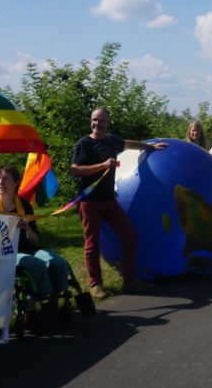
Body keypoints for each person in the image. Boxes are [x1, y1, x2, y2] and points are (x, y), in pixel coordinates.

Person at [71, 107, 168, 299]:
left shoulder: (111, 141)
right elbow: (76, 170)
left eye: (101, 121)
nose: (97, 124)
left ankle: (130, 281)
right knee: (92, 244)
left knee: (130, 235)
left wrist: (150, 147)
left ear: (108, 123)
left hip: (109, 200)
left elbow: (128, 144)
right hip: (89, 202)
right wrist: (102, 166)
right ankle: (95, 285)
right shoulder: (84, 143)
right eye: (94, 120)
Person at [0, 165, 70, 326]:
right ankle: (32, 309)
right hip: (5, 253)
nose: (1, 182)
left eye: (5, 178)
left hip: (29, 248)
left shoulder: (24, 205)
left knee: (58, 263)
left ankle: (52, 305)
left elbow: (35, 240)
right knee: (34, 264)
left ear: (16, 182)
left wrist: (27, 227)